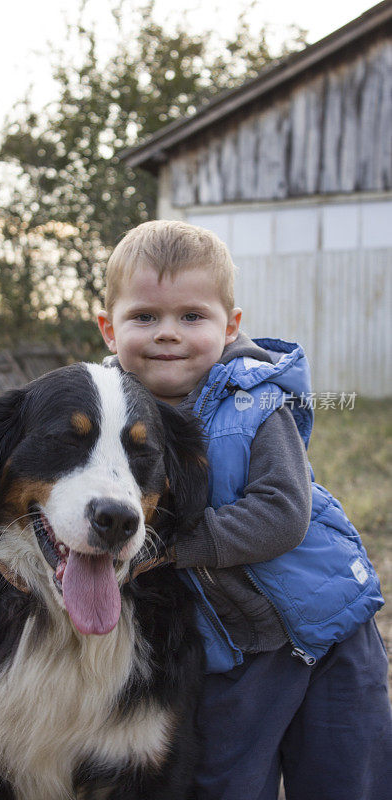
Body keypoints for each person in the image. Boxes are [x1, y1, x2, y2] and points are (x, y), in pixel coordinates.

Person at [97, 219, 392, 800]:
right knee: (227, 780)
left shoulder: (255, 401)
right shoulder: (108, 418)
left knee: (347, 771)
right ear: (109, 328)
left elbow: (283, 512)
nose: (168, 334)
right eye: (144, 317)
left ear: (230, 326)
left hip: (328, 622)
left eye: (192, 316)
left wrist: (176, 544)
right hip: (229, 650)